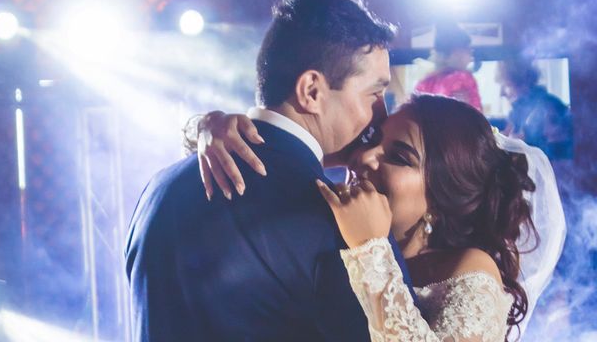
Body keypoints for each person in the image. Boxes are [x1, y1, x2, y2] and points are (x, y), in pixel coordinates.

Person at [125, 0, 416, 341]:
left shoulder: (159, 189)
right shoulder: (344, 219)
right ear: (311, 91)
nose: (380, 114)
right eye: (373, 94)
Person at [193, 94, 566, 341]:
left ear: (441, 194)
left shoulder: (470, 266)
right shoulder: (334, 224)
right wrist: (208, 127)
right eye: (372, 140)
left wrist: (371, 250)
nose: (365, 157)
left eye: (400, 157)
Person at [496, 56, 572, 160]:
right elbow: (508, 135)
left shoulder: (548, 107)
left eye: (507, 85)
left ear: (522, 83)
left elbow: (557, 151)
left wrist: (521, 142)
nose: (502, 94)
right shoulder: (517, 110)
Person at [415, 23, 482, 111]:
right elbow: (477, 115)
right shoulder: (464, 78)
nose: (471, 55)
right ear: (457, 52)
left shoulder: (425, 82)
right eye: (468, 49)